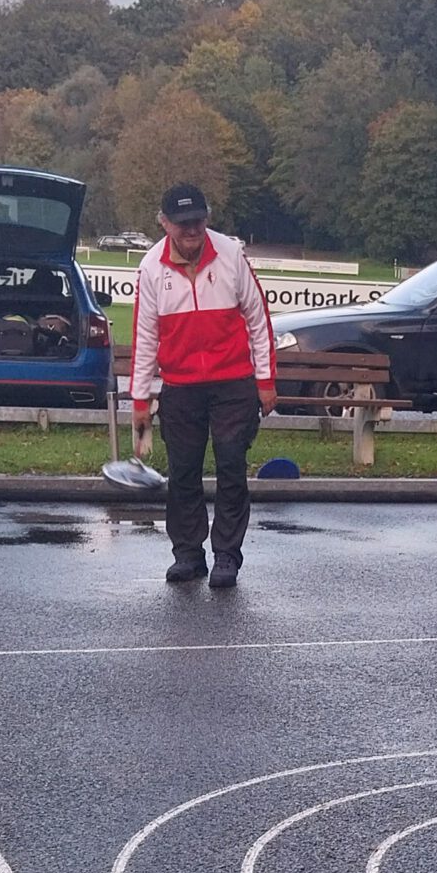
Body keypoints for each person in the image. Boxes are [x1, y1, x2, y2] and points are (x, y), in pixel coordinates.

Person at [129, 183, 276, 590]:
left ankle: (227, 555)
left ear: (207, 218)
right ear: (164, 223)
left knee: (231, 464)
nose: (192, 229)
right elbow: (145, 337)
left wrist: (265, 380)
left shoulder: (231, 254)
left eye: (197, 220)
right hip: (180, 386)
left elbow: (258, 320)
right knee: (183, 473)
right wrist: (141, 399)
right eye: (182, 223)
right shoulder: (150, 267)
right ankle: (188, 554)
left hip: (233, 383)